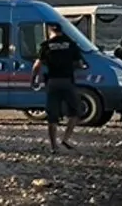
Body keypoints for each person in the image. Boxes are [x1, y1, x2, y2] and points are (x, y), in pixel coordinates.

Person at [31, 22, 83, 154]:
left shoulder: (46, 46)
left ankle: (54, 146)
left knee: (52, 116)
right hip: (67, 81)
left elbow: (37, 65)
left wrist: (33, 79)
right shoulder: (71, 44)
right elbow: (79, 63)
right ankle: (65, 139)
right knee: (75, 112)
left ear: (50, 32)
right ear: (61, 31)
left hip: (52, 82)